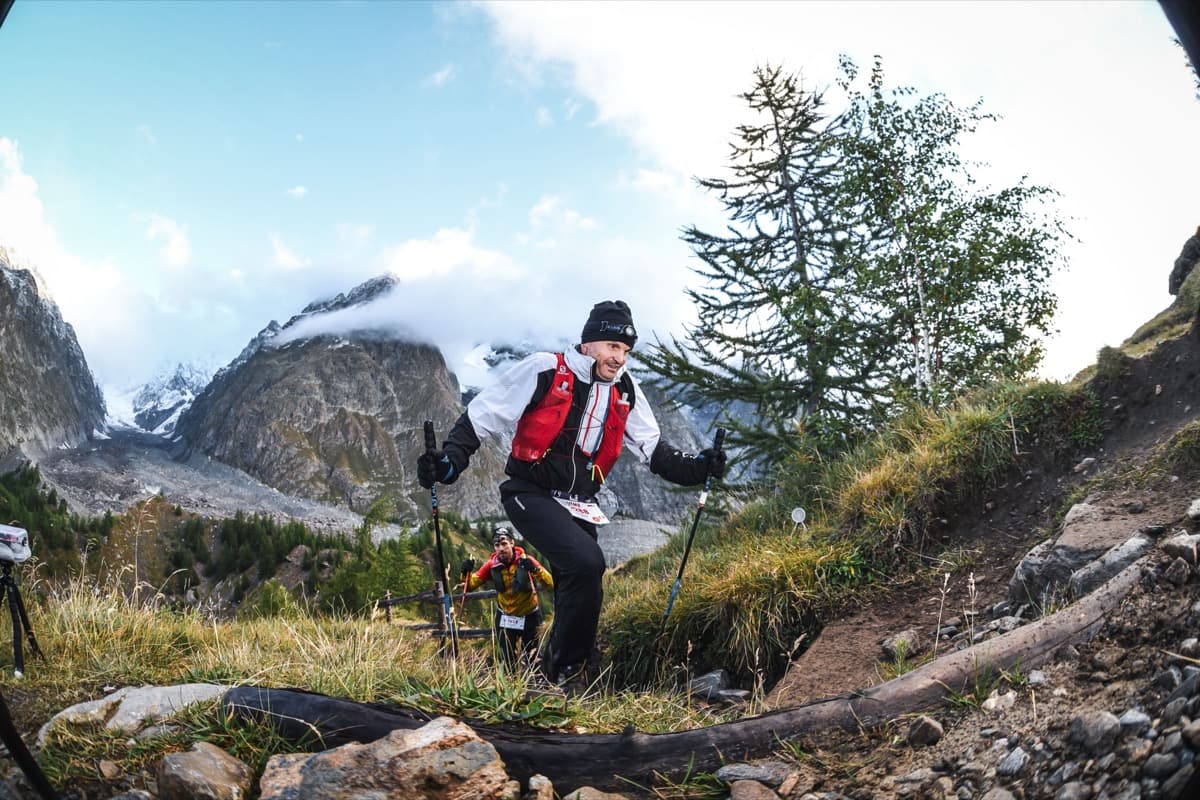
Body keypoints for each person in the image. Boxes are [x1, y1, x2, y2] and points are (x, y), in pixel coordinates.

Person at [418, 299, 726, 687]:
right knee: (584, 561)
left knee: (581, 579)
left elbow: (655, 451)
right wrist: (448, 463)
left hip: (581, 502)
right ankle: (571, 669)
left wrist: (700, 465)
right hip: (528, 490)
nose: (620, 359)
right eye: (613, 347)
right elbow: (482, 416)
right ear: (590, 343)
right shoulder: (545, 369)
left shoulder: (627, 389)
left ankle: (550, 672)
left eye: (627, 351)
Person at [460, 525, 553, 669]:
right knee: (507, 657)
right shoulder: (491, 565)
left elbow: (550, 583)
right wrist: (465, 572)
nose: (501, 548)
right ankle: (511, 685)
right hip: (505, 617)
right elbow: (470, 585)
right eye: (497, 545)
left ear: (512, 543)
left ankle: (537, 686)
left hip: (529, 615)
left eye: (504, 543)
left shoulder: (526, 561)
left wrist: (534, 569)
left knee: (533, 656)